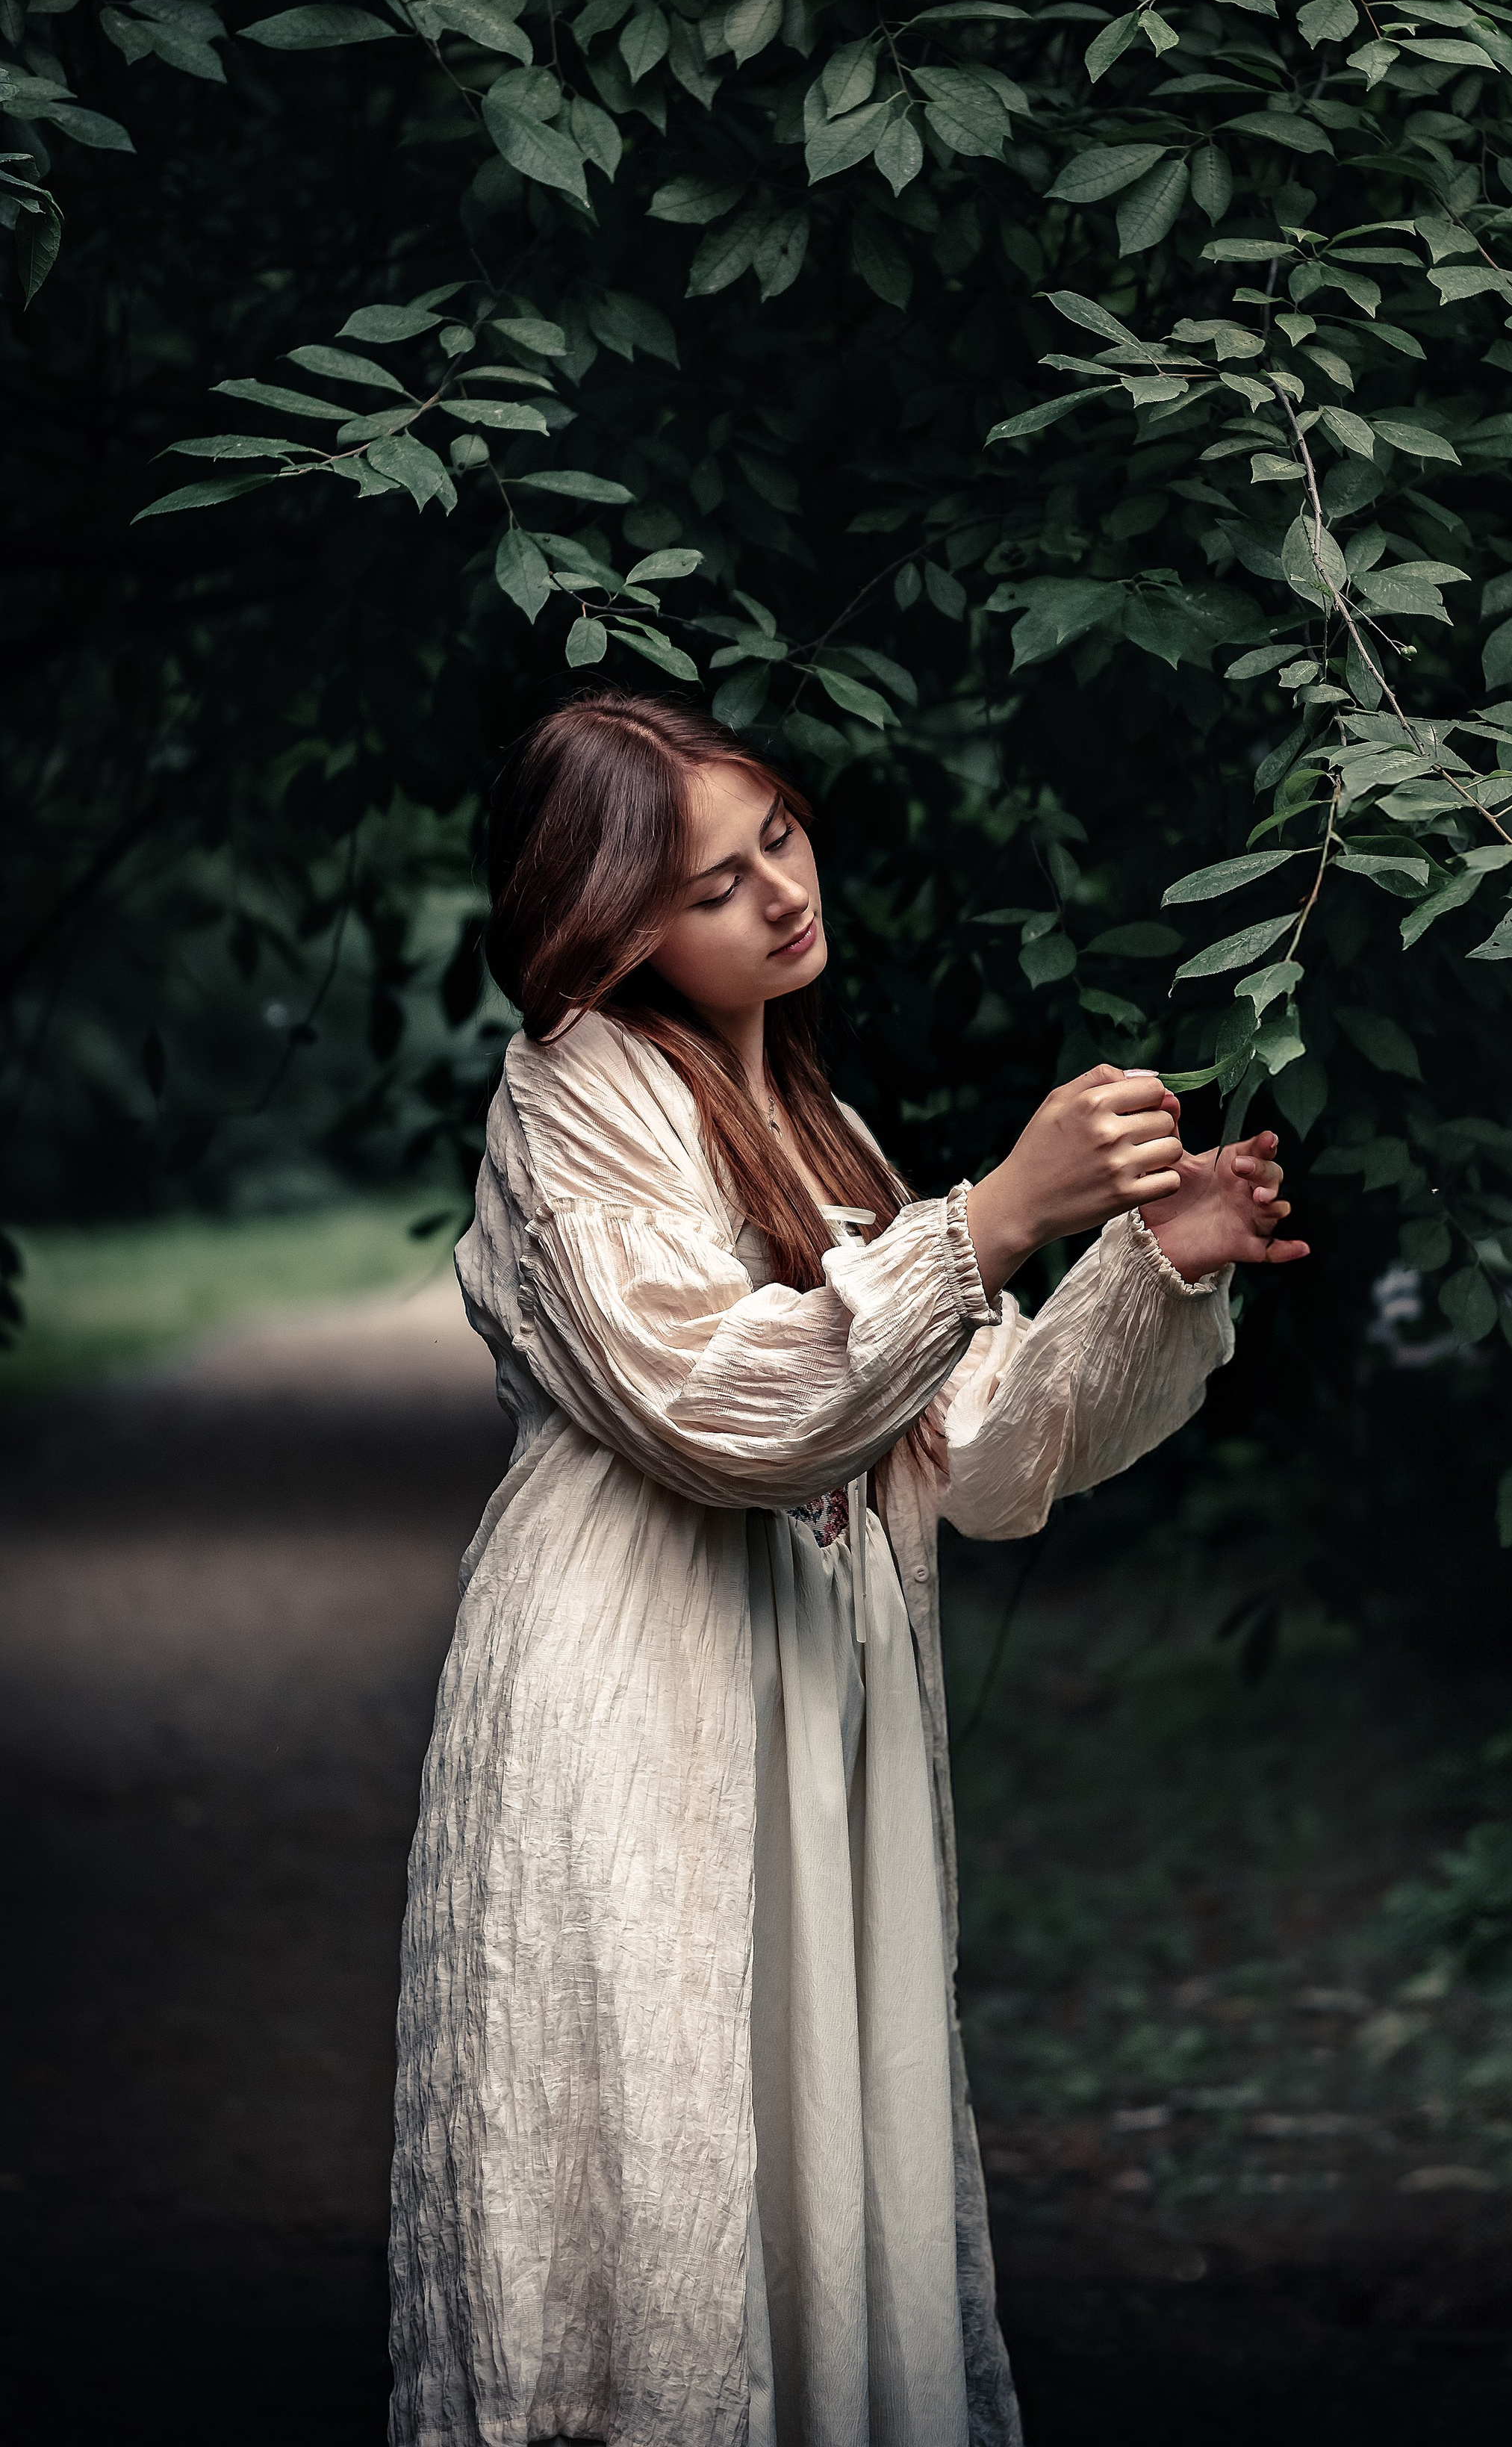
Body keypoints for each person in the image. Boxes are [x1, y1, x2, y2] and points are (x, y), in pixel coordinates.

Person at [388, 688, 1310, 2447]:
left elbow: (988, 1454)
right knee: (654, 2184)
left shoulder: (826, 1140)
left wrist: (1154, 1258)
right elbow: (715, 1406)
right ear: (609, 929)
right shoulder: (571, 1093)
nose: (780, 892)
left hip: (817, 1726)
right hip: (637, 1713)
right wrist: (996, 1215)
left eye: (778, 837)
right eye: (709, 884)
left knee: (813, 2163)